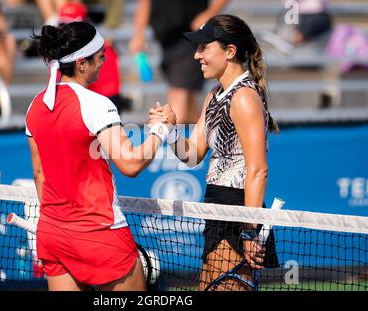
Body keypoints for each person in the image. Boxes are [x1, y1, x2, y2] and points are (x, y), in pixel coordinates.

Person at [26, 21, 176, 290]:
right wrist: (161, 129)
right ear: (82, 63)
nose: (105, 61)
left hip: (53, 234)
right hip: (99, 235)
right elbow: (130, 164)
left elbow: (40, 174)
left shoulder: (35, 105)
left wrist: (62, 221)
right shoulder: (97, 104)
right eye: (101, 57)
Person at [149, 14, 280, 291]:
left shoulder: (244, 97)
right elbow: (193, 154)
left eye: (204, 47)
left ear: (229, 51)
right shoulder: (213, 95)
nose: (197, 55)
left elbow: (258, 170)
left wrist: (249, 230)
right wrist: (170, 130)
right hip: (215, 209)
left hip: (238, 213)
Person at [129, 0, 229, 124]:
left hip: (190, 37)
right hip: (166, 42)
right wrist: (138, 33)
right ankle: (204, 139)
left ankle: (179, 140)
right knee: (189, 107)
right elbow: (145, 3)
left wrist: (208, 14)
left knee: (177, 108)